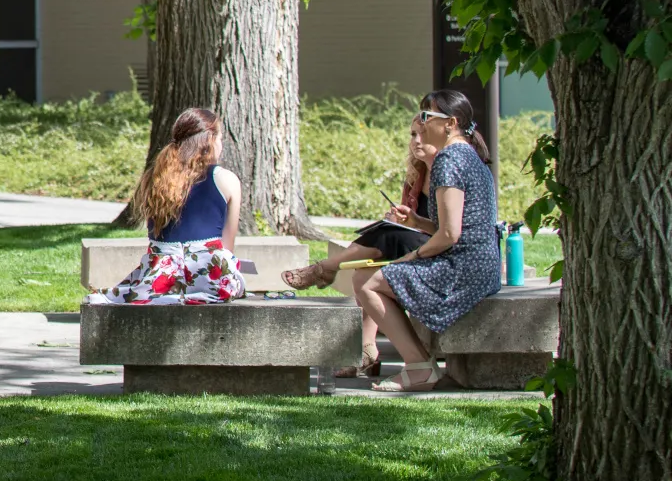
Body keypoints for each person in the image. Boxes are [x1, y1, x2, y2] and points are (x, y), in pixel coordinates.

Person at [356, 89, 502, 392]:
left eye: (426, 116)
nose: (419, 125)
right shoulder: (468, 155)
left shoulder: (449, 159)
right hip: (482, 265)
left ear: (450, 123)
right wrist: (416, 221)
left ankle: (419, 367)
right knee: (369, 276)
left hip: (463, 266)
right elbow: (450, 224)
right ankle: (419, 365)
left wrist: (413, 256)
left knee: (367, 281)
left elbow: (450, 234)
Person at [282, 116, 440, 376]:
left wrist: (406, 225)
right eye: (412, 135)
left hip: (438, 251)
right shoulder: (416, 175)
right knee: (367, 268)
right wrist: (399, 219)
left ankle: (324, 269)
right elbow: (409, 222)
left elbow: (447, 229)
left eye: (422, 134)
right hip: (413, 245)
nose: (416, 141)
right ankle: (367, 350)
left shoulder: (448, 174)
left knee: (387, 238)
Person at [88, 107, 246, 305]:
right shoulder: (226, 179)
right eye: (220, 138)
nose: (221, 145)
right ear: (210, 140)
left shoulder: (156, 176)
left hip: (159, 275)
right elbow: (227, 247)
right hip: (207, 275)